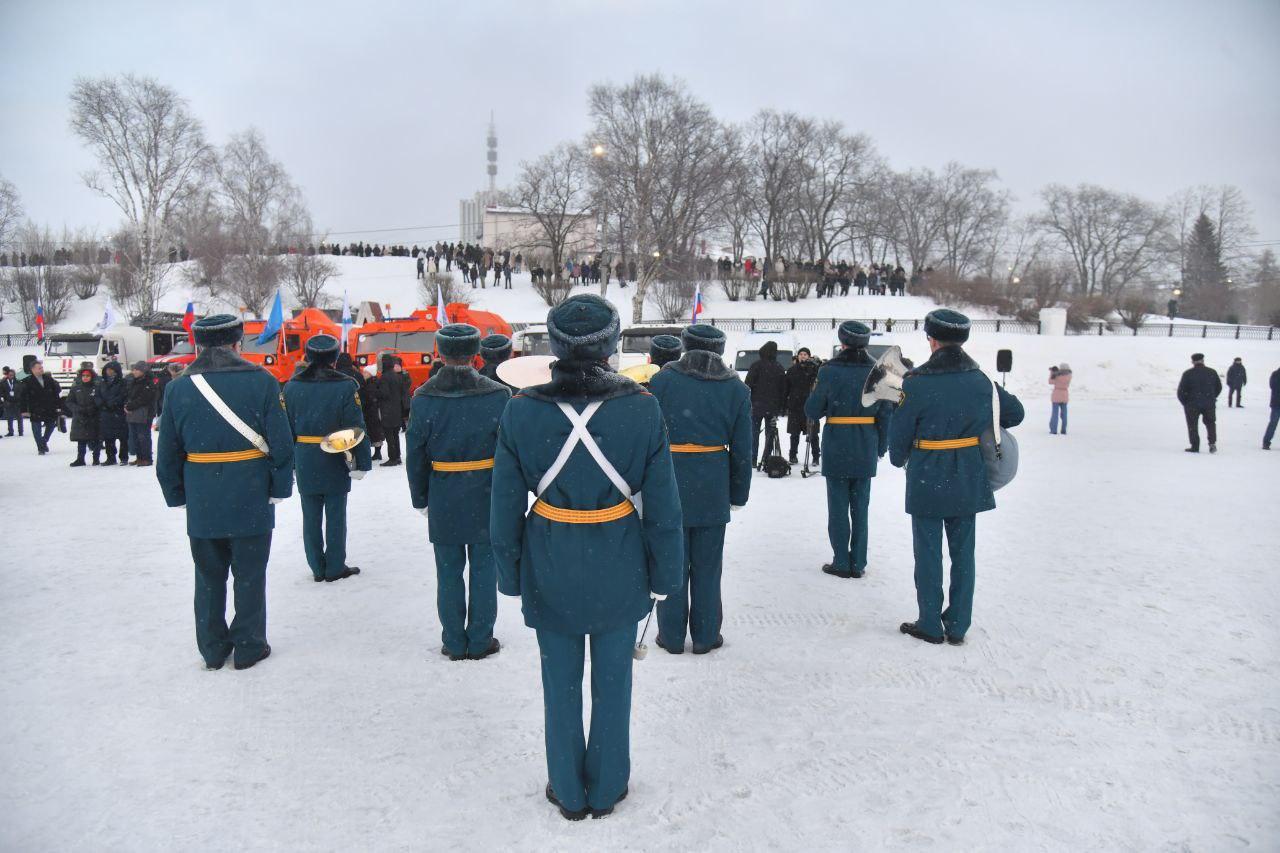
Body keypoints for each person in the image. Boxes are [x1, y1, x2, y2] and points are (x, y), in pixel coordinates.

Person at [490, 294, 683, 820]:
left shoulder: (520, 410)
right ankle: (606, 786)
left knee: (559, 686)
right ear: (611, 346)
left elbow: (505, 504)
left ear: (554, 345)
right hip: (620, 562)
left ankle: (568, 791)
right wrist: (666, 576)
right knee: (614, 685)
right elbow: (664, 508)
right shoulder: (643, 408)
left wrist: (509, 574)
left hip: (550, 561)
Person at [155, 314, 294, 670]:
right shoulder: (262, 381)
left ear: (199, 345)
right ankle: (248, 645)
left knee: (208, 575)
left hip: (203, 493)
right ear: (237, 344)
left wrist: (177, 493)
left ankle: (213, 648)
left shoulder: (178, 388)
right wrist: (279, 487)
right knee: (249, 574)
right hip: (250, 489)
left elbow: (168, 451)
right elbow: (281, 441)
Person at [889, 309, 1025, 645]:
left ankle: (930, 623)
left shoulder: (916, 383)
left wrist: (899, 457)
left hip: (927, 475)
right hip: (968, 474)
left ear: (931, 340)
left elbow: (898, 441)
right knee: (964, 553)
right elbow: (1015, 413)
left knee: (929, 552)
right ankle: (959, 624)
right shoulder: (980, 381)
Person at [406, 324, 511, 660]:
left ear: (439, 352)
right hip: (486, 492)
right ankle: (480, 639)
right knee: (483, 568)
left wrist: (421, 496)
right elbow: (510, 453)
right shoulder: (497, 395)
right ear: (475, 353)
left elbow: (416, 456)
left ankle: (453, 640)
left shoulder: (423, 397)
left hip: (444, 493)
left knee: (448, 571)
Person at [648, 324, 752, 655]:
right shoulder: (735, 388)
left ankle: (672, 635)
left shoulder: (663, 381)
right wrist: (738, 493)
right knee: (708, 567)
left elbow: (646, 437)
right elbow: (743, 448)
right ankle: (706, 636)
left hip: (670, 481)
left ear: (685, 346)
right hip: (713, 483)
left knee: (672, 562)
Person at [805, 322, 893, 579]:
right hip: (866, 442)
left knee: (838, 505)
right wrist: (881, 444)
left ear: (842, 343)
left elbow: (813, 410)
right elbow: (886, 412)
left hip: (837, 443)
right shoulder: (877, 371)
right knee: (861, 507)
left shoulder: (829, 370)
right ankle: (859, 561)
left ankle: (841, 560)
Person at [283, 334, 372, 583]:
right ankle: (334, 566)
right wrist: (362, 461)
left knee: (310, 514)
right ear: (334, 358)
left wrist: (286, 462)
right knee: (335, 514)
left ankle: (316, 565)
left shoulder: (291, 386)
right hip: (336, 452)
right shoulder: (345, 386)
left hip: (304, 456)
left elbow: (285, 428)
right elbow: (355, 426)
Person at [744, 340, 787, 466]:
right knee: (770, 433)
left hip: (756, 406)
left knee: (754, 433)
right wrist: (781, 407)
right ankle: (767, 459)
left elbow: (747, 384)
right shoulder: (779, 367)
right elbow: (783, 389)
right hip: (773, 406)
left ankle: (753, 459)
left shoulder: (756, 365)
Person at [1177, 353, 1222, 454]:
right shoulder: (1212, 372)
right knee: (1210, 423)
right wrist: (1212, 397)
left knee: (1192, 425)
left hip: (1192, 404)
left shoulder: (1188, 374)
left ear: (1193, 362)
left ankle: (1195, 446)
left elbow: (1181, 391)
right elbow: (1219, 387)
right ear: (1203, 360)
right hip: (1209, 403)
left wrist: (1186, 402)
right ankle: (1212, 443)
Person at [784, 347, 820, 464]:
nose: (803, 356)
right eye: (801, 354)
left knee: (813, 434)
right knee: (794, 434)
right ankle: (792, 455)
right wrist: (786, 403)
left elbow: (818, 385)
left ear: (809, 356)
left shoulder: (814, 369)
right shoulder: (792, 370)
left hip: (810, 405)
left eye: (805, 354)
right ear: (797, 356)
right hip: (795, 406)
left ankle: (815, 456)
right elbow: (787, 388)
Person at [19, 360, 62, 455]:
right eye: (39, 368)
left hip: (49, 407)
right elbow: (23, 397)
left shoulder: (49, 379)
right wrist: (24, 410)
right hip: (35, 408)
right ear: (33, 369)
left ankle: (44, 441)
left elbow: (56, 393)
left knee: (51, 425)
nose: (41, 369)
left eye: (42, 368)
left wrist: (58, 406)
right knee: (36, 429)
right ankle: (41, 447)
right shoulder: (27, 381)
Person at [376, 354, 410, 466]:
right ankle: (397, 456)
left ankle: (392, 458)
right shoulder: (396, 376)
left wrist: (375, 392)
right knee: (395, 434)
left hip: (387, 409)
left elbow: (384, 393)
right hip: (396, 408)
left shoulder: (384, 377)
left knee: (389, 435)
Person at [66, 366, 102, 466]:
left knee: (95, 439)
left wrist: (93, 408)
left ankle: (96, 458)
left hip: (93, 417)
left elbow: (100, 402)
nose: (85, 377)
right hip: (80, 417)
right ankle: (80, 459)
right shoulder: (76, 388)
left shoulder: (96, 388)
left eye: (88, 376)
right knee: (81, 439)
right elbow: (69, 402)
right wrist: (77, 409)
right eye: (83, 376)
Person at [96, 361, 129, 464]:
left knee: (123, 437)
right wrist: (102, 404)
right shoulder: (102, 383)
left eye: (111, 370)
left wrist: (113, 403)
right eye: (107, 370)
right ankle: (110, 457)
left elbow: (124, 395)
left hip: (119, 412)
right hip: (105, 413)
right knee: (108, 437)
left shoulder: (123, 382)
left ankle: (123, 457)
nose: (109, 372)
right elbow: (97, 396)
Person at [125, 361, 157, 466]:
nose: (134, 371)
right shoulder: (135, 381)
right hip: (135, 412)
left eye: (136, 369)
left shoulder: (148, 382)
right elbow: (130, 395)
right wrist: (127, 405)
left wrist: (130, 406)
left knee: (143, 436)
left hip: (145, 413)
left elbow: (144, 398)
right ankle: (139, 457)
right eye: (133, 369)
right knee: (136, 437)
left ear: (143, 371)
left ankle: (147, 458)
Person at [1049, 363, 1072, 435]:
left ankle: (1053, 430)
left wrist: (1052, 372)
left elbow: (1050, 382)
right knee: (1064, 414)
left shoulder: (1057, 375)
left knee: (1055, 414)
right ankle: (1063, 430)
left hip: (1056, 395)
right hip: (1065, 394)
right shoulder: (1069, 375)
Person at [2, 366, 23, 436]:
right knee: (9, 418)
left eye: (12, 375)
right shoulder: (3, 382)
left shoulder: (18, 382)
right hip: (8, 402)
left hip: (17, 402)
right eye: (10, 375)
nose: (11, 376)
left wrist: (19, 398)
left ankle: (21, 431)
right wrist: (4, 399)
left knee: (19, 417)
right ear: (7, 375)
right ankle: (10, 431)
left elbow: (20, 391)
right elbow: (2, 391)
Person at [1264, 366, 1280, 450]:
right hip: (1276, 404)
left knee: (1273, 423)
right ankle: (1266, 442)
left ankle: (1266, 441)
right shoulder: (1276, 374)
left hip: (1276, 403)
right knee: (1273, 423)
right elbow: (1273, 386)